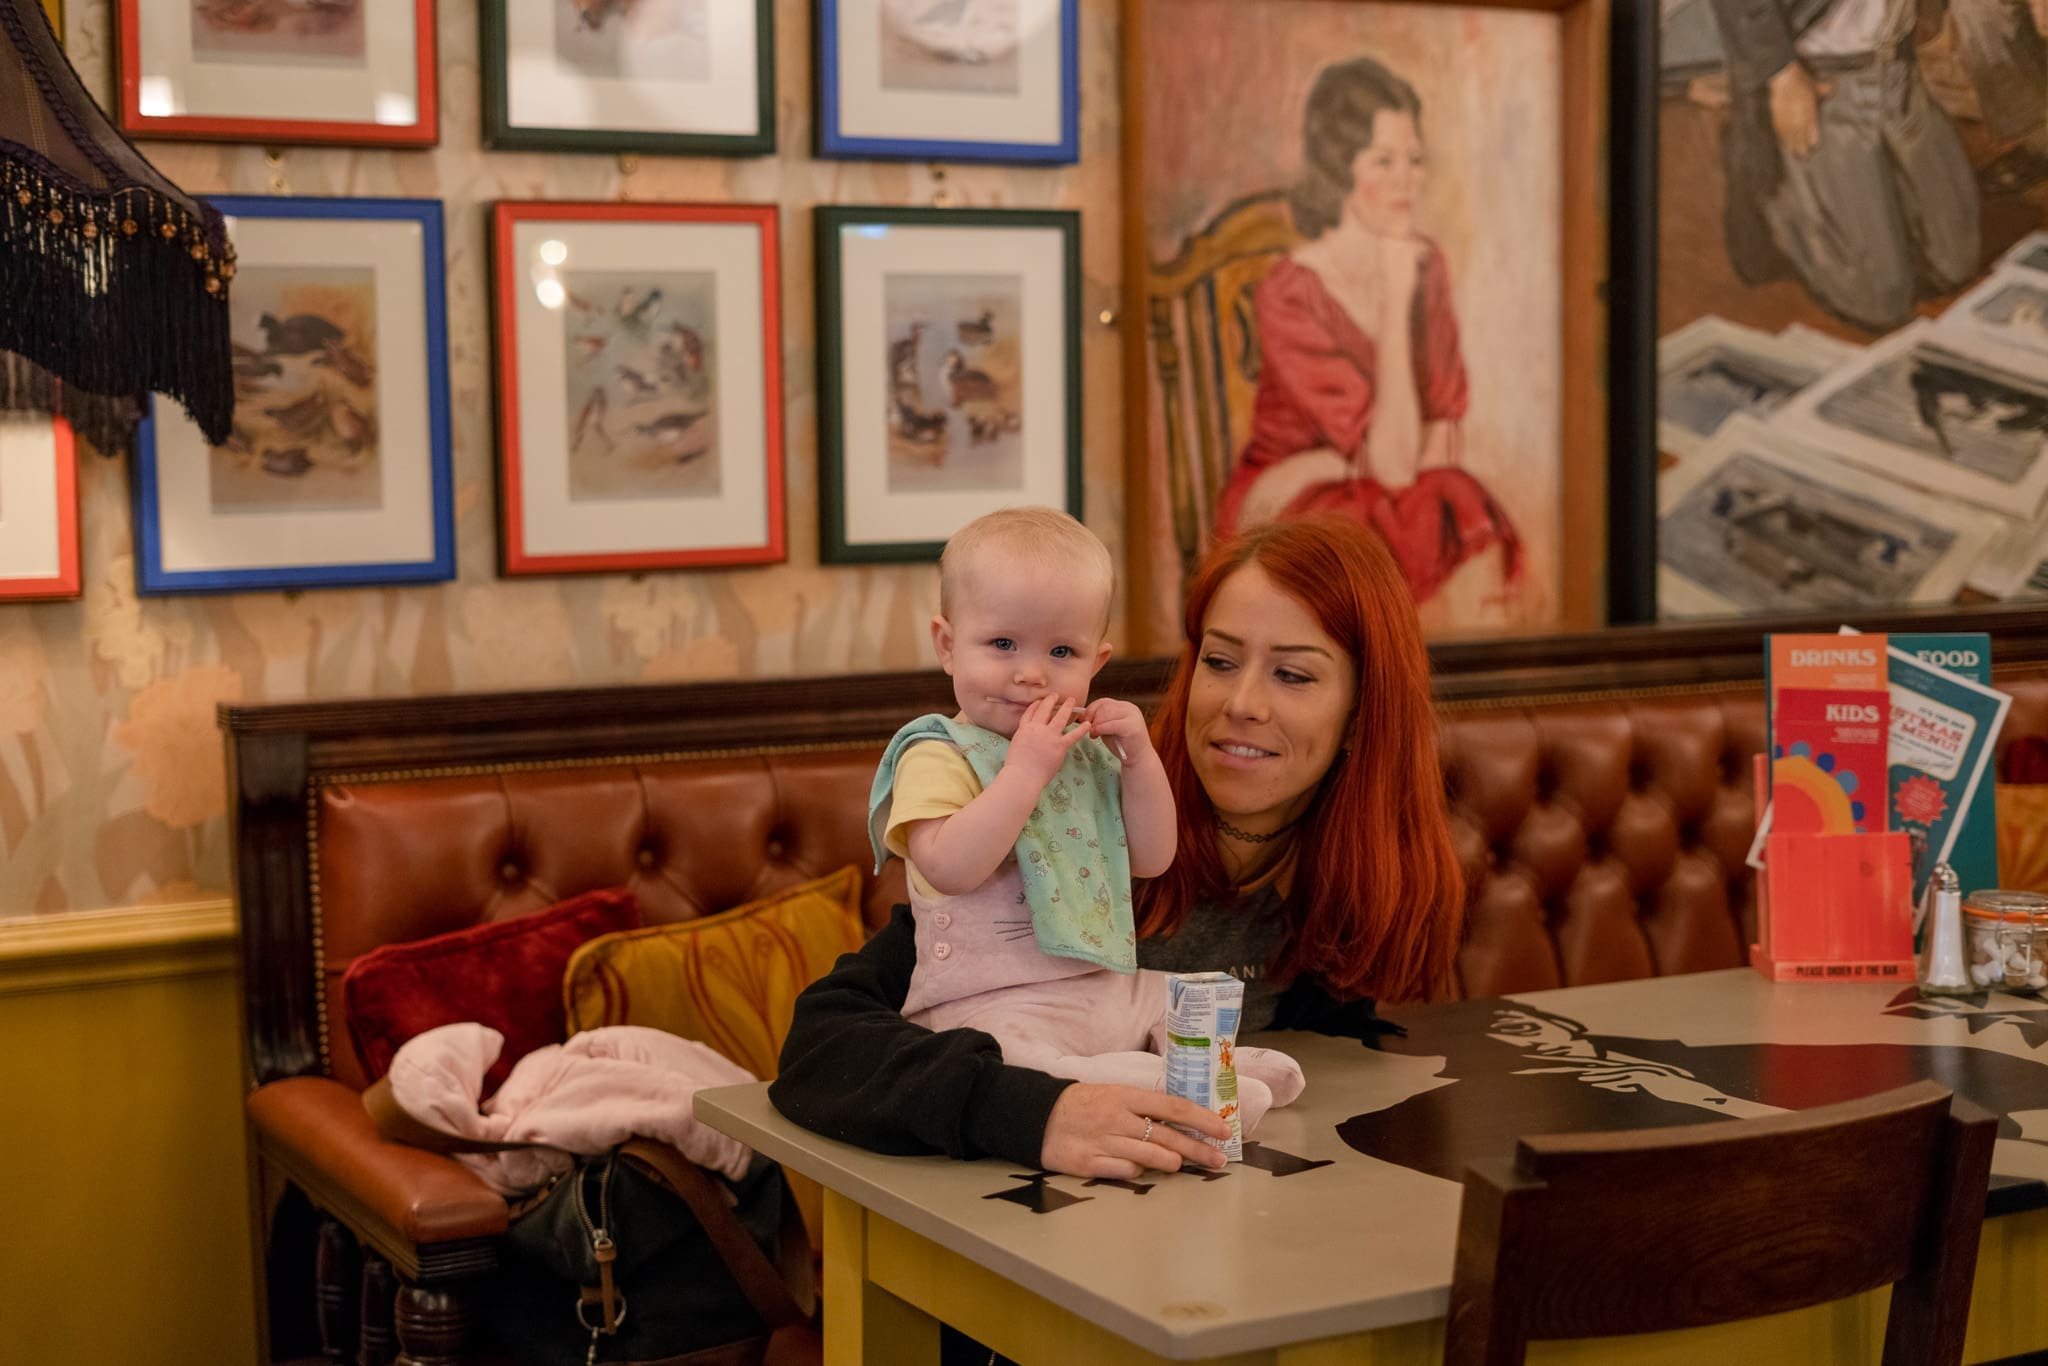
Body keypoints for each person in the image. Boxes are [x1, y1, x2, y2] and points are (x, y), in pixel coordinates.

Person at [771, 514, 1466, 1180]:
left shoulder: (1345, 877)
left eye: (1294, 675)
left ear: (1360, 711)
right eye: (1219, 661)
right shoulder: (1070, 822)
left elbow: (1354, 1070)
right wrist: (1038, 1112)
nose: (1243, 703)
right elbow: (822, 1049)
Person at [870, 507, 1306, 1137]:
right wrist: (1024, 773)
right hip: (989, 1002)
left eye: (1061, 651)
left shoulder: (1086, 755)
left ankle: (1219, 1064)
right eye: (1001, 644)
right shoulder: (938, 752)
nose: (1030, 672)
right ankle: (1166, 1086)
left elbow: (1153, 858)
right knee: (1022, 1060)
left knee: (1166, 992)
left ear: (1095, 661)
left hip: (1098, 979)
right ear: (946, 645)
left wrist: (1138, 759)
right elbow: (948, 866)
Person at [1213, 56, 1522, 624]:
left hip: (1350, 481)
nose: (1408, 178)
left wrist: (1333, 461)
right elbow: (1398, 463)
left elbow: (1442, 440)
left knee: (1452, 496)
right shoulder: (1292, 289)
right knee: (1422, 510)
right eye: (1384, 160)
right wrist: (1395, 292)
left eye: (1415, 159)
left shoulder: (1425, 265)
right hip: (1290, 505)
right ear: (1339, 169)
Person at [1709, 0, 1980, 332]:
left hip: (1897, 65)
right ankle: (1769, 181)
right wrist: (1781, 75)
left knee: (1955, 265)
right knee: (1879, 299)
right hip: (1821, 76)